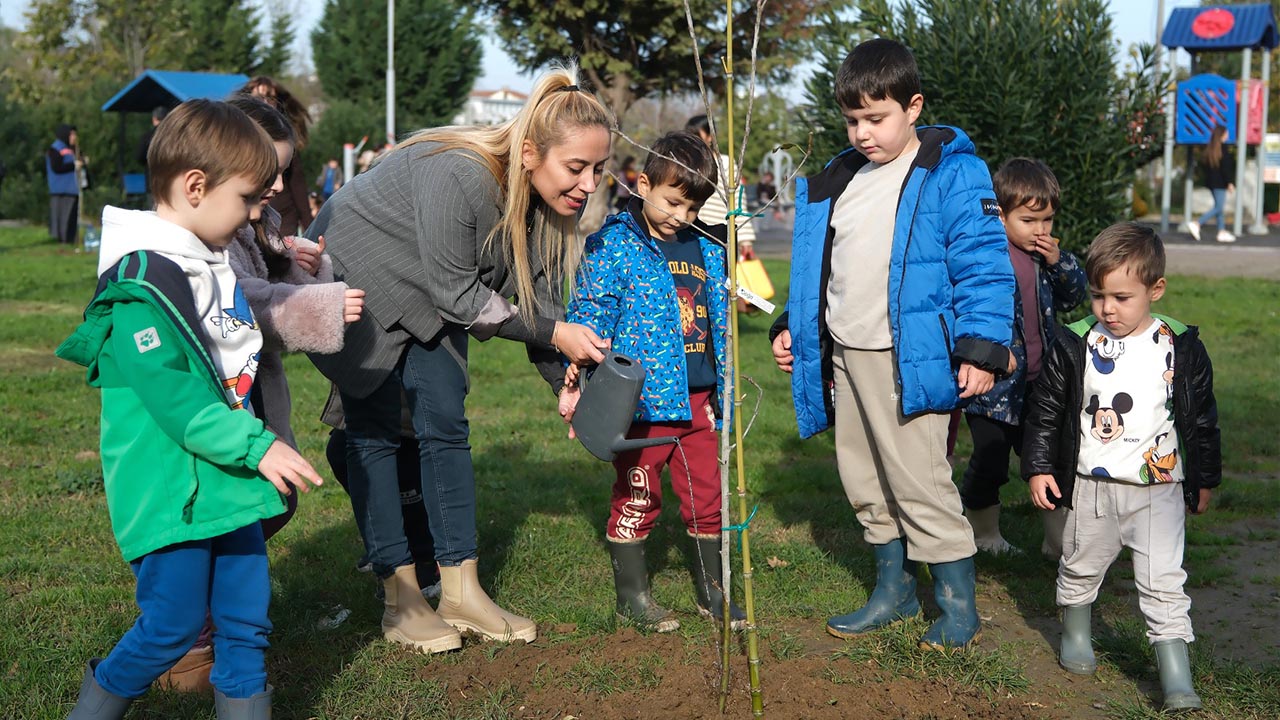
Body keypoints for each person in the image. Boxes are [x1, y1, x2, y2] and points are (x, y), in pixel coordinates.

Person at [306, 62, 614, 654]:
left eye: (597, 169)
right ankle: (401, 599)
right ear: (530, 153)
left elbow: (539, 301)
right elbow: (459, 294)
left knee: (444, 420)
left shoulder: (544, 207)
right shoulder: (460, 173)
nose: (588, 181)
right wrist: (556, 335)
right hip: (355, 285)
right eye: (576, 167)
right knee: (374, 432)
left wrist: (564, 383)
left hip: (429, 291)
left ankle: (461, 590)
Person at [56, 99, 324, 719]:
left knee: (245, 623)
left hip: (226, 481)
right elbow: (177, 401)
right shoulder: (140, 286)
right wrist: (259, 445)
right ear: (196, 186)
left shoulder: (209, 262)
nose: (259, 211)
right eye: (250, 198)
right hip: (172, 490)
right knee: (172, 627)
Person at [769, 38, 1014, 652]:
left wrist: (981, 349)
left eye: (876, 119)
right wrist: (790, 327)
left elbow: (984, 265)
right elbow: (816, 269)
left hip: (911, 357)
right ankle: (894, 591)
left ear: (913, 106)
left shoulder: (951, 172)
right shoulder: (839, 179)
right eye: (852, 120)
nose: (862, 133)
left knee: (918, 480)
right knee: (862, 476)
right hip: (848, 354)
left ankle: (959, 607)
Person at [1022, 222, 1220, 712]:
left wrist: (1204, 477)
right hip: (1092, 487)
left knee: (1164, 581)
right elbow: (1045, 410)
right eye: (1097, 296)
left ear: (1155, 290)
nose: (1108, 308)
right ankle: (1076, 631)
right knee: (1081, 564)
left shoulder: (1180, 346)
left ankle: (1175, 672)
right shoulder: (1076, 344)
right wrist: (1039, 466)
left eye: (1121, 297)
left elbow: (1202, 419)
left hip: (1159, 490)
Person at [559, 131, 743, 632]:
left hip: (700, 396)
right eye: (673, 202)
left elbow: (719, 317)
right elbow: (590, 314)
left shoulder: (706, 247)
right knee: (638, 494)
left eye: (694, 207)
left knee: (707, 495)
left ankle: (712, 590)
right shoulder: (615, 245)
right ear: (644, 185)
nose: (681, 216)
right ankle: (633, 597)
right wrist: (583, 375)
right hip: (642, 404)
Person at [961, 158, 1086, 557]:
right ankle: (984, 535)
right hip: (993, 388)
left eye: (1047, 220)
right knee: (990, 461)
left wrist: (1058, 261)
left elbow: (1075, 296)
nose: (1041, 230)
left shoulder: (1043, 258)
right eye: (1030, 220)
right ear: (1001, 215)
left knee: (1049, 458)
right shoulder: (989, 255)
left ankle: (1057, 542)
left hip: (1040, 382)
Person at [242, 76, 314, 235]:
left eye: (270, 98)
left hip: (282, 219)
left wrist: (310, 230)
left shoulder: (285, 146)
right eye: (257, 98)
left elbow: (298, 186)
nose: (264, 103)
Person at [685, 115, 757, 259]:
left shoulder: (725, 163)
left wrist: (745, 238)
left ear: (710, 136)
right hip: (690, 231)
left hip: (720, 232)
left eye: (697, 135)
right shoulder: (685, 164)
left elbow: (737, 200)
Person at [1187, 124, 1235, 243]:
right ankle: (1197, 223)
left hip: (1212, 183)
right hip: (1220, 184)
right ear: (1223, 134)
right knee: (1218, 207)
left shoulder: (1210, 149)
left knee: (1219, 208)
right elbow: (1225, 168)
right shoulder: (1224, 150)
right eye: (1226, 132)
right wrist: (1229, 182)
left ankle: (1221, 231)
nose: (1228, 135)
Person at [47, 123, 80, 244]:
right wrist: (74, 165)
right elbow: (56, 167)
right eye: (72, 134)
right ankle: (63, 240)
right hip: (61, 189)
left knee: (70, 218)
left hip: (71, 189)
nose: (74, 137)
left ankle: (69, 240)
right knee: (62, 217)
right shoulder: (55, 149)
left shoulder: (72, 150)